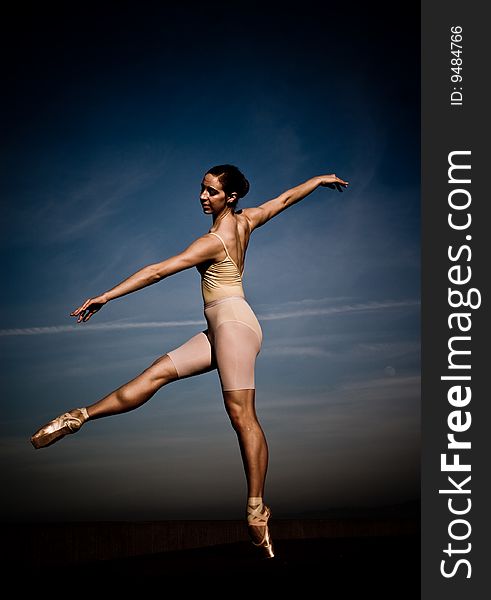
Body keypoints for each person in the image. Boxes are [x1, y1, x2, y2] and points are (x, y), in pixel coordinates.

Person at [30, 164, 348, 558]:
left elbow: (157, 271)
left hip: (233, 324)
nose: (202, 196)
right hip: (225, 327)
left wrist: (106, 296)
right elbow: (284, 199)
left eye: (211, 192)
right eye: (202, 189)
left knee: (241, 415)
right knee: (157, 372)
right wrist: (318, 180)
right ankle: (79, 415)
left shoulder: (213, 240)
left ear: (229, 197)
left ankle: (256, 510)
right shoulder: (247, 219)